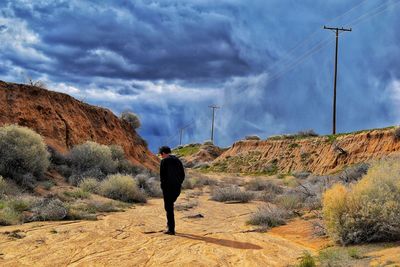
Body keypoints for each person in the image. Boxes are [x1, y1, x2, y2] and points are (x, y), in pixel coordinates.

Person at [159, 146, 185, 235]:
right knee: (170, 206)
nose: (161, 156)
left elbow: (162, 177)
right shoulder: (178, 161)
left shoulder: (164, 161)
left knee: (168, 208)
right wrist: (179, 183)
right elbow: (183, 175)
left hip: (168, 188)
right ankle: (169, 226)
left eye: (161, 155)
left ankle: (171, 229)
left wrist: (163, 187)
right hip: (177, 188)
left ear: (163, 153)